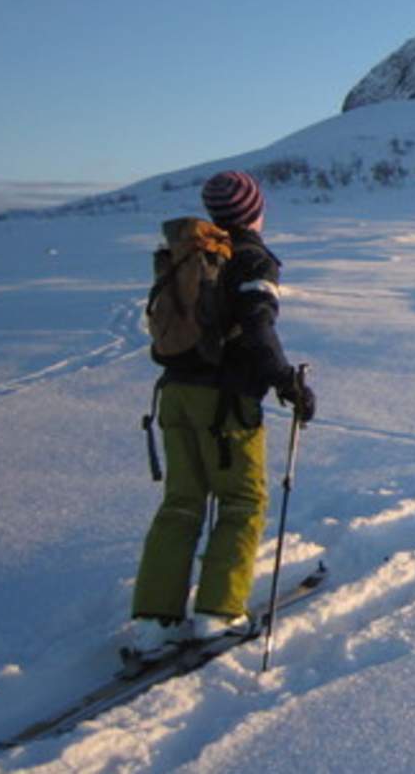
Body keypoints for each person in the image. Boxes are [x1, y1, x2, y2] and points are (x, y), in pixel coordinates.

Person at [127, 170, 315, 656]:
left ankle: (154, 621)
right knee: (241, 501)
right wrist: (285, 381)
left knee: (182, 502)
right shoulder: (250, 258)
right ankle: (218, 613)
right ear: (254, 210)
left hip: (175, 395)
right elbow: (257, 325)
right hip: (225, 401)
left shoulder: (194, 255)